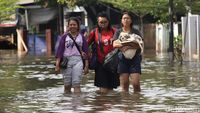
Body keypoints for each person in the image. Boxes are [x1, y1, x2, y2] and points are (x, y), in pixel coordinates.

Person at [87, 12, 120, 93]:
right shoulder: (94, 32)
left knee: (111, 90)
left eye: (105, 22)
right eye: (101, 22)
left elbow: (121, 44)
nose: (103, 24)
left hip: (113, 64)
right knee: (103, 90)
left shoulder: (115, 31)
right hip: (100, 63)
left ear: (108, 22)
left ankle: (109, 104)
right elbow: (86, 44)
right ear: (98, 23)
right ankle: (101, 104)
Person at [55, 17, 89, 93]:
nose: (72, 26)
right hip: (66, 61)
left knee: (76, 84)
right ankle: (67, 103)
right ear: (68, 26)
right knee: (67, 85)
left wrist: (86, 66)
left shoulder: (82, 37)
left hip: (78, 61)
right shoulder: (64, 37)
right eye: (71, 25)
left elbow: (86, 52)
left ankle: (78, 103)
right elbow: (59, 52)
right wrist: (57, 65)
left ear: (78, 26)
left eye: (74, 25)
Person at [113, 11, 143, 93]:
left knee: (136, 84)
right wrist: (123, 46)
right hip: (122, 59)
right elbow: (114, 44)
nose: (126, 20)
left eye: (128, 18)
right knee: (124, 86)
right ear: (121, 20)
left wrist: (128, 46)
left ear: (131, 20)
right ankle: (125, 104)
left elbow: (140, 45)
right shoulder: (118, 32)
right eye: (124, 18)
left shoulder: (135, 32)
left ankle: (137, 103)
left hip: (135, 59)